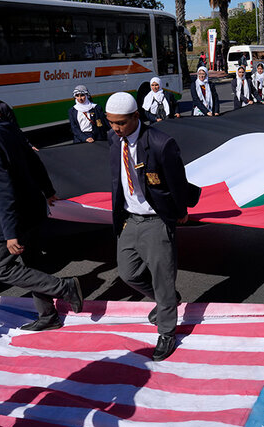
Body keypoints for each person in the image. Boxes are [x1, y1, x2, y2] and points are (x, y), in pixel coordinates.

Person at [0, 86, 83, 331]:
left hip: (14, 216)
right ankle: (48, 315)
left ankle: (63, 287)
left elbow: (2, 188)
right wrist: (47, 191)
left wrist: (10, 232)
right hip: (31, 206)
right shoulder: (5, 126)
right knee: (32, 262)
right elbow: (34, 160)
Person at [105, 92, 196, 362]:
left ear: (136, 116)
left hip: (156, 218)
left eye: (120, 123)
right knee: (128, 272)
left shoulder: (160, 143)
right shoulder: (114, 139)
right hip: (130, 218)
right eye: (111, 122)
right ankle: (167, 299)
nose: (115, 128)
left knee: (162, 278)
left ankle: (167, 331)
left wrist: (180, 212)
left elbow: (177, 182)